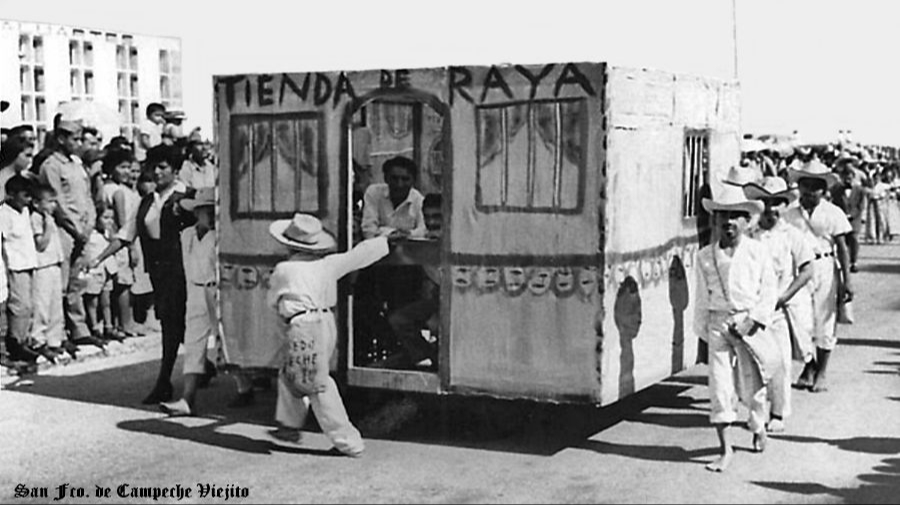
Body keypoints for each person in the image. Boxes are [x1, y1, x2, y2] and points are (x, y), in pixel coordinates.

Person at [267, 213, 394, 457]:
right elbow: (359, 256)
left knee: (316, 382)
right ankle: (289, 425)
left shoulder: (284, 269)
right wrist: (383, 240)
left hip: (302, 325)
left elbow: (273, 301)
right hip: (324, 322)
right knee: (292, 374)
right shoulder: (327, 265)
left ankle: (347, 441)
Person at [90, 144, 196, 404]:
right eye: (153, 167)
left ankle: (164, 381)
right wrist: (99, 257)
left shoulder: (189, 197)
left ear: (175, 170)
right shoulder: (146, 201)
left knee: (178, 324)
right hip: (161, 272)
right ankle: (194, 369)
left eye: (163, 167)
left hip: (187, 271)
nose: (157, 172)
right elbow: (126, 235)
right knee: (173, 323)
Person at [694, 179, 778, 473]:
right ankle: (725, 449)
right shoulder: (705, 256)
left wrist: (752, 320)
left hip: (748, 324)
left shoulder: (757, 252)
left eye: (735, 216)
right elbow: (701, 299)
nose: (728, 222)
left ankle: (758, 426)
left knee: (752, 385)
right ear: (714, 219)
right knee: (719, 386)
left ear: (746, 220)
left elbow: (769, 291)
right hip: (718, 324)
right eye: (721, 216)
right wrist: (703, 334)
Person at [737, 176, 815, 433]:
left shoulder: (792, 235)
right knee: (752, 363)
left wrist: (785, 296)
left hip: (779, 310)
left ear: (783, 206)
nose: (770, 208)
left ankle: (778, 412)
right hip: (752, 308)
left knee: (780, 363)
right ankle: (755, 413)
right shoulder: (748, 235)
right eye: (764, 202)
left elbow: (806, 270)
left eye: (775, 203)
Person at [784, 160, 853, 393]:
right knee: (799, 322)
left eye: (815, 186)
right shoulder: (789, 215)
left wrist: (847, 280)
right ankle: (809, 364)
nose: (809, 191)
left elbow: (843, 247)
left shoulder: (833, 213)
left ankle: (821, 372)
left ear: (823, 190)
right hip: (799, 271)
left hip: (825, 267)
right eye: (805, 185)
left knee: (825, 322)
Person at [37, 119, 104, 351]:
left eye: (79, 138)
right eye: (74, 139)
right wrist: (75, 228)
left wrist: (89, 224)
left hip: (83, 230)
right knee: (61, 283)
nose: (78, 144)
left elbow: (87, 197)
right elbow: (58, 201)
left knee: (79, 282)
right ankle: (59, 332)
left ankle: (79, 329)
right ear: (61, 139)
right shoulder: (51, 166)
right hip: (64, 230)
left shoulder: (77, 164)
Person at [160, 188, 217, 416]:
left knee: (225, 340)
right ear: (196, 212)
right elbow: (186, 267)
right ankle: (187, 399)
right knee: (193, 343)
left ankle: (245, 386)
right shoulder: (187, 236)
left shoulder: (221, 236)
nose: (211, 216)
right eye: (206, 211)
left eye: (214, 211)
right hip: (195, 291)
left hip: (216, 291)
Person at [382, 193, 443, 370]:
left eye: (437, 217)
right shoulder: (422, 238)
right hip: (438, 298)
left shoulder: (459, 239)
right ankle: (426, 358)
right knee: (399, 320)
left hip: (460, 302)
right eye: (428, 217)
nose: (432, 222)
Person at [0, 175, 42, 363]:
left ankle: (24, 341)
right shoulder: (4, 213)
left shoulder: (25, 211)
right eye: (25, 195)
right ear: (11, 195)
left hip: (29, 263)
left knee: (29, 306)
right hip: (15, 265)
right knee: (20, 306)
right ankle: (15, 344)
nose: (29, 200)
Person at [101, 148, 142, 337]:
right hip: (119, 243)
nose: (126, 171)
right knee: (124, 284)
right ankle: (127, 323)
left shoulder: (103, 187)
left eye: (128, 167)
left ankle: (117, 323)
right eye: (122, 167)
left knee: (112, 286)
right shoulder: (118, 192)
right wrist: (132, 247)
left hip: (106, 240)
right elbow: (125, 224)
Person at [30, 183, 70, 360]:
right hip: (43, 266)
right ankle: (39, 340)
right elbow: (41, 244)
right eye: (49, 202)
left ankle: (55, 340)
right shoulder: (36, 219)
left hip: (54, 264)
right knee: (42, 305)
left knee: (56, 305)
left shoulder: (51, 219)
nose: (53, 205)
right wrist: (47, 224)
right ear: (37, 203)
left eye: (54, 202)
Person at [361, 156, 426, 240]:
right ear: (386, 178)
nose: (399, 184)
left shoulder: (418, 200)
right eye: (394, 179)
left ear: (413, 181)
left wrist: (384, 232)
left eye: (405, 179)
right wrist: (397, 234)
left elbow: (423, 231)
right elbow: (369, 231)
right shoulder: (374, 193)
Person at [83, 207, 120, 342]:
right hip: (95, 270)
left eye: (111, 218)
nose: (109, 221)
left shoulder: (108, 234)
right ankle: (94, 327)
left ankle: (108, 326)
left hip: (107, 269)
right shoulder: (90, 234)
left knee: (106, 300)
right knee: (93, 300)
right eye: (105, 218)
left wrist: (110, 233)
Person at [0, 137, 36, 201]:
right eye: (27, 155)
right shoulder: (2, 180)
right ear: (14, 154)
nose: (30, 160)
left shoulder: (26, 177)